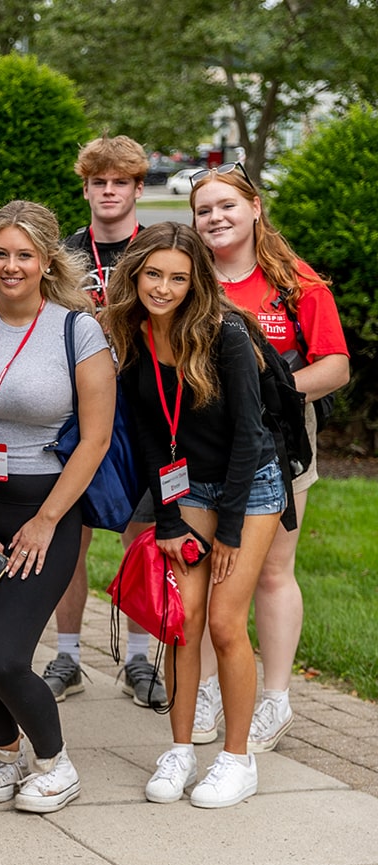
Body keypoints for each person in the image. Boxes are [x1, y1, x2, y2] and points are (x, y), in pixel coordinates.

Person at [102, 222, 288, 808]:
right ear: (134, 274)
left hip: (247, 485)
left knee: (226, 624)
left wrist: (229, 530)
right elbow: (153, 435)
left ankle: (237, 760)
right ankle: (180, 749)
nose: (163, 287)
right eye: (153, 274)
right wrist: (170, 519)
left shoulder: (226, 333)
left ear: (196, 281)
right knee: (183, 621)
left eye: (178, 277)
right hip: (188, 492)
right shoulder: (132, 334)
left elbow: (248, 437)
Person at [0, 200, 112, 814]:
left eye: (25, 255)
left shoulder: (77, 329)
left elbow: (95, 438)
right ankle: (6, 753)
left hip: (45, 510)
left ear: (46, 261)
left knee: (7, 657)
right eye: (1, 253)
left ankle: (55, 764)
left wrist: (45, 522)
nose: (11, 266)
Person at [190, 164, 349, 751]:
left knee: (272, 572)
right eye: (204, 210)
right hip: (203, 442)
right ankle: (206, 687)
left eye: (227, 205)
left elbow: (336, 367)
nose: (216, 218)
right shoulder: (190, 277)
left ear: (255, 208)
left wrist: (270, 392)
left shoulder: (296, 282)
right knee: (204, 570)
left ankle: (276, 699)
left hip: (281, 437)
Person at [45, 134, 166, 710]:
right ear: (86, 187)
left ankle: (139, 658)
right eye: (99, 182)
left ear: (139, 188)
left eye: (121, 182)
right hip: (81, 411)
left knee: (144, 536)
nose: (109, 191)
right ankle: (67, 655)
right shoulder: (64, 254)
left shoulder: (163, 248)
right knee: (74, 534)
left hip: (149, 410)